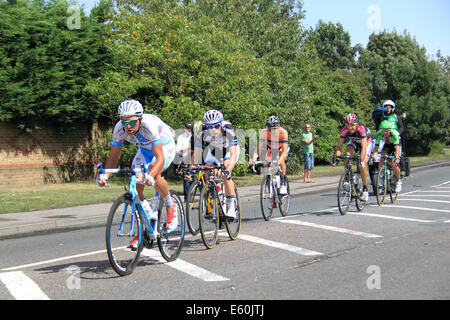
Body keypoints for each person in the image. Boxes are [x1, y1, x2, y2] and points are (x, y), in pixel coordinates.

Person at [97, 99, 178, 248]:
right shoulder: (119, 129)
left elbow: (160, 158)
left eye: (132, 122)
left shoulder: (149, 126)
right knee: (136, 180)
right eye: (124, 122)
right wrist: (105, 175)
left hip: (165, 147)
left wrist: (151, 175)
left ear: (140, 119)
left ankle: (170, 205)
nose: (128, 127)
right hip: (145, 150)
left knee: (154, 169)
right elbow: (114, 157)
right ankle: (144, 223)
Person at [193, 109, 240, 220]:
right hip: (214, 150)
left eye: (216, 126)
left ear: (221, 124)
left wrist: (228, 169)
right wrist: (191, 168)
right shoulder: (202, 131)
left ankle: (231, 205)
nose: (213, 129)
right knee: (206, 169)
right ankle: (212, 200)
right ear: (206, 126)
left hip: (229, 149)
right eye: (210, 127)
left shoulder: (228, 129)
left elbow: (233, 155)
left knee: (225, 174)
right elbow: (197, 153)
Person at [333, 113, 373, 201]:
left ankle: (365, 189)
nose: (350, 127)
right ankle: (347, 179)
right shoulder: (344, 130)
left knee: (361, 165)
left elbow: (363, 147)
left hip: (366, 143)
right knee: (347, 156)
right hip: (354, 142)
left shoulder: (361, 129)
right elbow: (339, 146)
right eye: (347, 125)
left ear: (356, 123)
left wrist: (361, 161)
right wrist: (337, 158)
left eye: (352, 125)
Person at [250, 115, 289, 194]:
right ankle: (272, 193)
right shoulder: (264, 132)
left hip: (281, 149)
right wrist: (253, 160)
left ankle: (283, 183)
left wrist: (279, 160)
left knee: (280, 160)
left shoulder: (283, 132)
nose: (272, 131)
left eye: (274, 129)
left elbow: (284, 151)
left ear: (279, 126)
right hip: (272, 149)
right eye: (270, 129)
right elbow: (258, 150)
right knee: (266, 167)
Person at [371, 120, 402, 192]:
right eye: (383, 130)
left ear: (390, 130)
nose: (385, 133)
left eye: (387, 131)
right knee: (381, 159)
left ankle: (398, 181)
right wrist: (373, 157)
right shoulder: (379, 134)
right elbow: (376, 147)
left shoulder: (394, 134)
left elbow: (397, 148)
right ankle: (380, 177)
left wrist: (397, 158)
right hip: (387, 145)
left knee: (394, 163)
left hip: (396, 146)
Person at [176, 122, 193, 199]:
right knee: (186, 178)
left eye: (190, 128)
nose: (189, 130)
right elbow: (178, 150)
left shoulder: (194, 137)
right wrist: (188, 148)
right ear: (185, 129)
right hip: (185, 159)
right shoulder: (181, 137)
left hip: (194, 159)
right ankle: (188, 197)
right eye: (188, 128)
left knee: (194, 177)